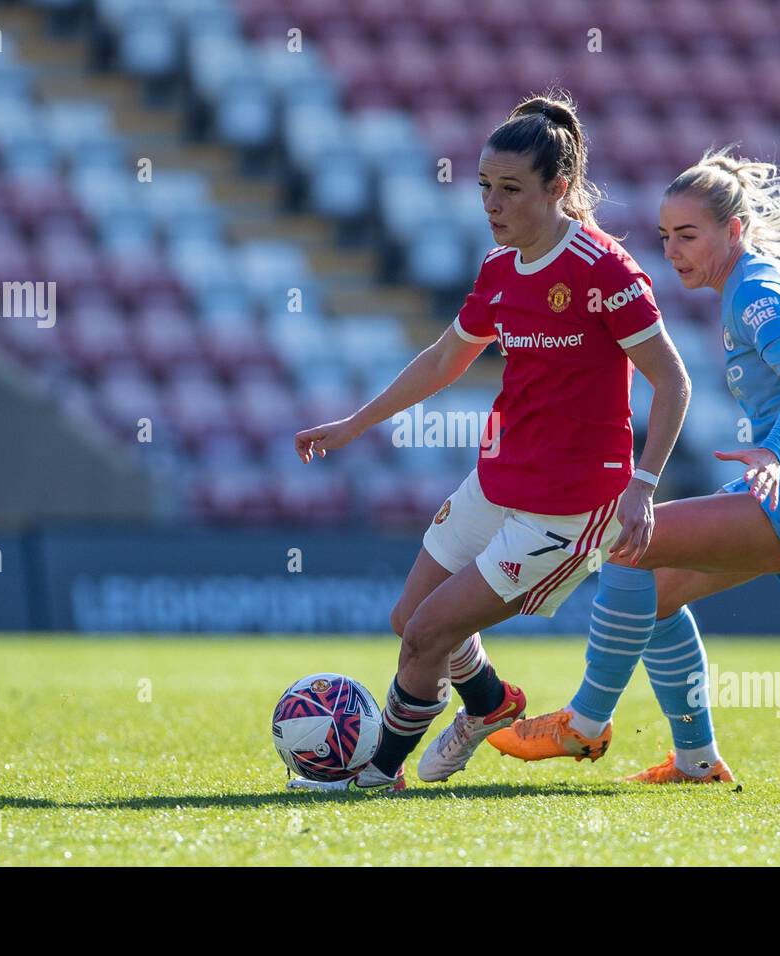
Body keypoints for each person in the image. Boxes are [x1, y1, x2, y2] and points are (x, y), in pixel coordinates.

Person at [487, 146, 780, 783]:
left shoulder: (754, 294)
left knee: (628, 544)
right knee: (649, 594)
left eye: (688, 235)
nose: (673, 250)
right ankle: (696, 762)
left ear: (733, 230)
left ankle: (586, 722)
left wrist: (773, 450)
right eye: (665, 237)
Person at [289, 92, 691, 792]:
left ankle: (376, 774)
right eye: (484, 188)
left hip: (568, 507)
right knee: (407, 620)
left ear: (557, 188)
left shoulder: (604, 272)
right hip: (498, 481)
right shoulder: (500, 271)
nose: (492, 204)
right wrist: (355, 423)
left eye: (510, 190)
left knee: (426, 637)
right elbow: (446, 359)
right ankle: (486, 704)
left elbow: (674, 382)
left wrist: (644, 486)